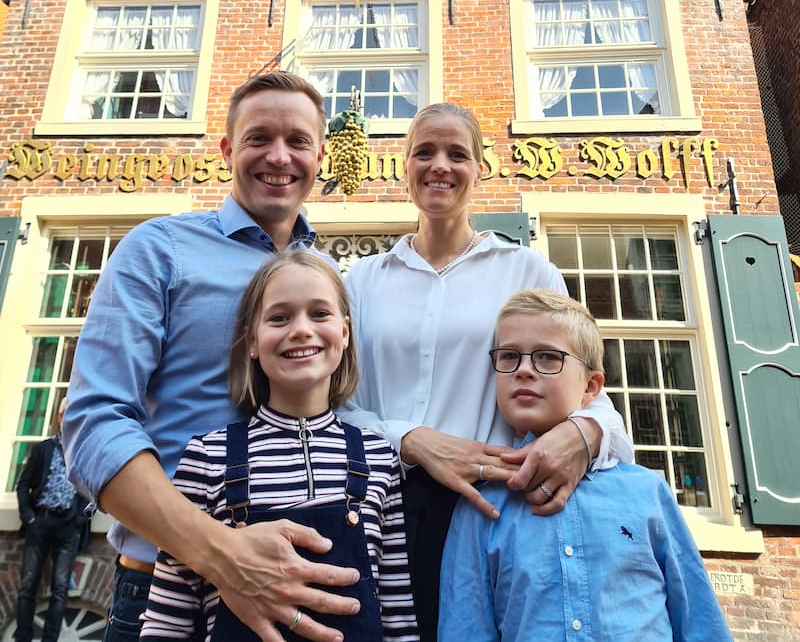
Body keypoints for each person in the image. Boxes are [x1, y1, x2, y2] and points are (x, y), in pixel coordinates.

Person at [63, 72, 362, 642]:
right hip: (164, 589)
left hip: (310, 588)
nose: (279, 156)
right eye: (258, 138)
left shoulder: (328, 281)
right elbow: (94, 423)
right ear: (228, 149)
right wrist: (224, 554)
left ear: (320, 154)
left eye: (298, 141)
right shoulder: (159, 249)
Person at [341, 102, 634, 641]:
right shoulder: (361, 281)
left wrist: (585, 432)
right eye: (424, 152)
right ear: (403, 165)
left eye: (458, 153)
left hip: (495, 509)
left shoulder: (527, 270)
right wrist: (410, 439)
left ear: (481, 167)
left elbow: (585, 392)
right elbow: (333, 406)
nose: (439, 166)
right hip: (380, 512)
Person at [140, 249, 418, 642]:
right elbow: (168, 615)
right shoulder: (207, 457)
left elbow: (397, 610)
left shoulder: (378, 456)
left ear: (344, 332)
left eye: (319, 314)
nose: (301, 329)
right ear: (252, 341)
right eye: (279, 317)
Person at [438, 290, 734, 641]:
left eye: (548, 357)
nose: (524, 370)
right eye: (510, 357)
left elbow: (699, 620)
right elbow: (465, 628)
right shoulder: (480, 507)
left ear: (591, 386)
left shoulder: (647, 492)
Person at [14, 397, 90, 642]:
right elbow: (23, 484)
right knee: (28, 584)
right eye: (66, 413)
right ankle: (23, 636)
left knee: (60, 588)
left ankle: (50, 639)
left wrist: (78, 519)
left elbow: (93, 488)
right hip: (40, 522)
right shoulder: (42, 449)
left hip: (68, 527)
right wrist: (29, 517)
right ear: (59, 417)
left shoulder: (83, 453)